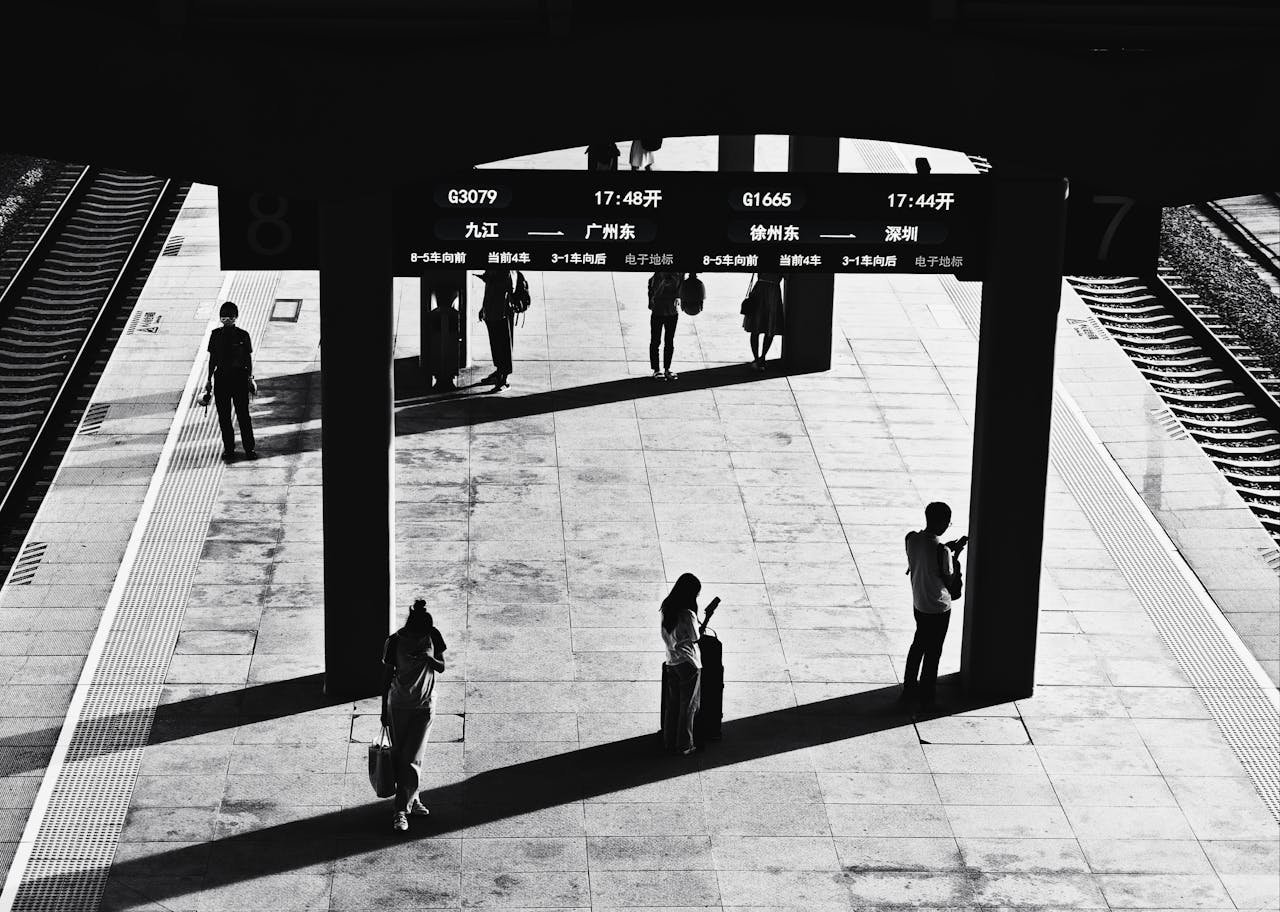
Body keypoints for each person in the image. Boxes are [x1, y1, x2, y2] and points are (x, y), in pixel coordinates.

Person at [381, 599, 447, 833]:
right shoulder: (395, 641)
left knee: (412, 755)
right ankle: (413, 797)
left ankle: (401, 809)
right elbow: (387, 676)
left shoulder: (432, 635)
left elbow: (441, 666)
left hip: (424, 704)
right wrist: (383, 711)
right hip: (398, 704)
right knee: (402, 756)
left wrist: (429, 659)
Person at [901, 502, 966, 711]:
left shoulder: (911, 539)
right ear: (941, 522)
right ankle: (927, 697)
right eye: (947, 522)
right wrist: (954, 555)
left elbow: (926, 558)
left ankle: (909, 688)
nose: (948, 525)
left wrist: (947, 548)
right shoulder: (943, 551)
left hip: (918, 604)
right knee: (933, 652)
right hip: (938, 609)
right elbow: (950, 581)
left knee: (918, 644)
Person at [202, 301, 256, 461]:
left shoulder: (243, 335)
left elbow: (248, 358)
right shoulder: (215, 335)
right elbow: (212, 359)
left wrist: (250, 378)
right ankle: (229, 449)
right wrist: (208, 379)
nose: (226, 321)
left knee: (243, 415)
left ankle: (249, 448)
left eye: (229, 318)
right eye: (223, 318)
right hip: (221, 379)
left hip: (239, 378)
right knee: (224, 417)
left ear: (236, 318)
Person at [660, 573, 703, 755]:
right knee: (688, 706)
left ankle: (669, 742)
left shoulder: (666, 608)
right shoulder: (687, 613)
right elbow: (695, 637)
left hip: (671, 660)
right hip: (688, 662)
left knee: (673, 705)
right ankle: (685, 744)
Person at [477, 269, 514, 391]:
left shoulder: (505, 269)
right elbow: (489, 290)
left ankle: (504, 378)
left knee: (504, 345)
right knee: (496, 344)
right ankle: (499, 372)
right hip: (491, 310)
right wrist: (484, 308)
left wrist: (489, 279)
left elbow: (506, 286)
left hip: (502, 311)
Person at [742, 273, 784, 372]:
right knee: (770, 327)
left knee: (755, 327)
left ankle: (757, 358)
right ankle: (762, 357)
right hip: (773, 291)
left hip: (759, 289)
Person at [647, 270, 682, 380]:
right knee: (655, 341)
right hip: (658, 311)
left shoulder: (678, 274)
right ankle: (656, 369)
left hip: (672, 312)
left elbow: (680, 291)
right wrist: (664, 281)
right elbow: (654, 292)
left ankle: (667, 368)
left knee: (669, 341)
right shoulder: (658, 275)